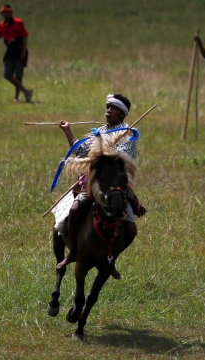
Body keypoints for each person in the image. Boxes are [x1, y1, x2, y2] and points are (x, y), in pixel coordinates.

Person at [55, 94, 146, 279]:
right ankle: (72, 253)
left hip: (116, 187)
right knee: (75, 209)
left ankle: (111, 261)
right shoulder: (99, 131)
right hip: (95, 183)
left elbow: (123, 161)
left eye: (113, 107)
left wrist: (104, 154)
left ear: (122, 113)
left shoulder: (127, 134)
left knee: (131, 229)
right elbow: (80, 151)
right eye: (107, 106)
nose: (108, 110)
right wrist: (68, 131)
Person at [0, 4, 33, 103]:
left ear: (11, 13)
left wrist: (23, 51)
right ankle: (26, 91)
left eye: (8, 12)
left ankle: (17, 97)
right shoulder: (2, 25)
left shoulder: (18, 22)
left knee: (18, 75)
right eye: (4, 13)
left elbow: (24, 37)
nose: (6, 15)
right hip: (10, 51)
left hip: (19, 50)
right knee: (7, 74)